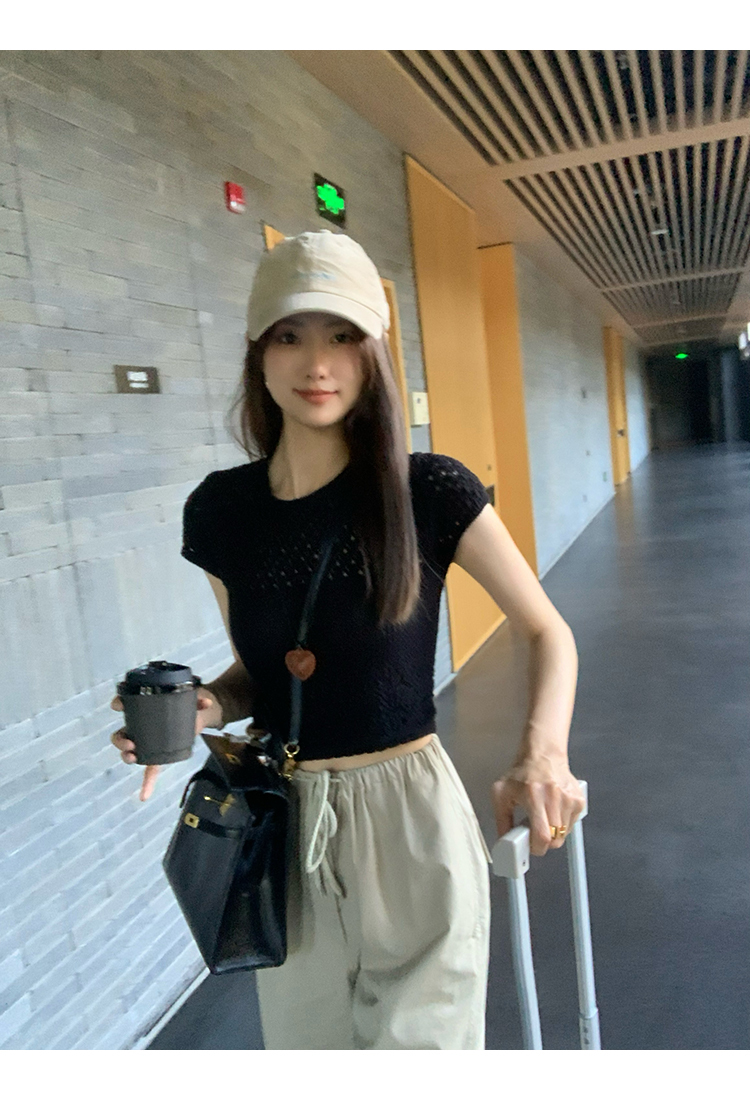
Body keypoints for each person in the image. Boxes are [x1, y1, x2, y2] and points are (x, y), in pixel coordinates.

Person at [111, 228, 584, 1050]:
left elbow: (547, 630)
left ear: (372, 356)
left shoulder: (429, 490)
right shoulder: (221, 512)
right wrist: (203, 705)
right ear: (259, 356)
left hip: (412, 823)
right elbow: (257, 675)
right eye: (289, 335)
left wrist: (543, 753)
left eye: (341, 335)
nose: (317, 363)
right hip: (286, 826)